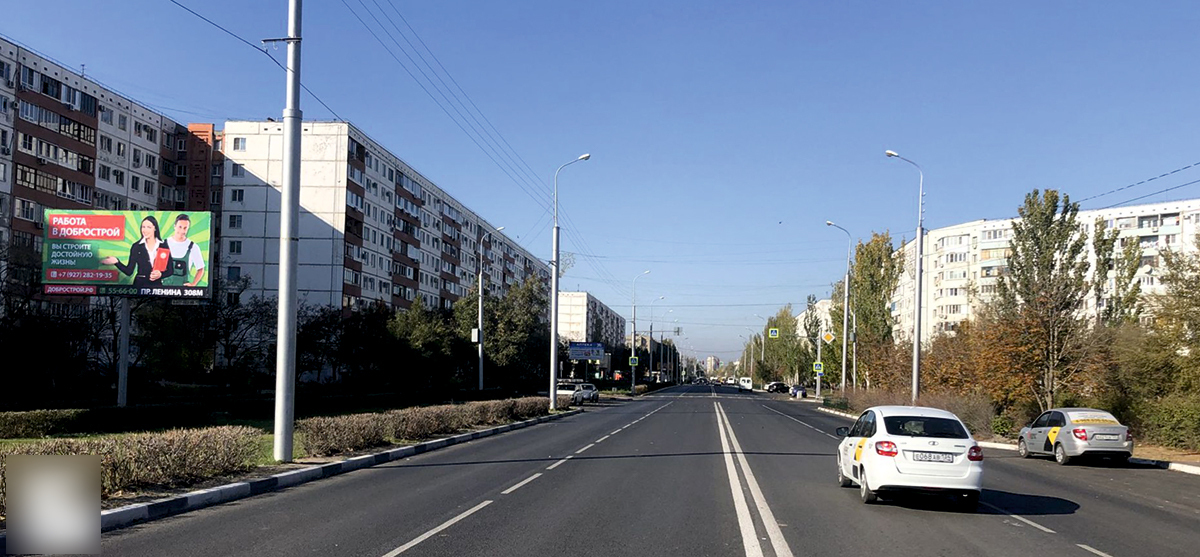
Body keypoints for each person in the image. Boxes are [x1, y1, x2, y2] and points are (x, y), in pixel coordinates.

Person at [100, 216, 172, 288]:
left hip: (156, 287)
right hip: (139, 286)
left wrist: (161, 274)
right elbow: (129, 271)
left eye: (149, 227)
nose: (145, 230)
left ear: (155, 228)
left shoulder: (163, 245)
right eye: (143, 227)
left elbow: (170, 270)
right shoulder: (136, 246)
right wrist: (116, 262)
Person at [163, 214, 206, 287]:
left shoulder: (193, 247)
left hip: (183, 290)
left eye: (185, 228)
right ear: (174, 226)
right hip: (163, 289)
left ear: (188, 228)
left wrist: (193, 284)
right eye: (180, 227)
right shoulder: (163, 244)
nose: (182, 230)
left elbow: (201, 268)